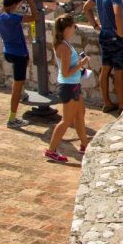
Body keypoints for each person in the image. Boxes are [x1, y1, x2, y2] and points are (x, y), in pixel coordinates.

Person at [82, 0, 123, 113]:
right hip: (115, 37)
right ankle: (121, 104)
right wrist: (120, 32)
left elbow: (85, 8)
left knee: (106, 69)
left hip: (104, 36)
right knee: (119, 71)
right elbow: (117, 14)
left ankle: (107, 103)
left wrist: (95, 25)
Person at [46, 15, 90, 163]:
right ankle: (51, 150)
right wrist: (81, 64)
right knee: (66, 120)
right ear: (66, 28)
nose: (74, 29)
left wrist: (78, 64)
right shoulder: (64, 47)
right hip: (69, 86)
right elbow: (66, 72)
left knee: (80, 114)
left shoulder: (64, 44)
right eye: (73, 27)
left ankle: (84, 145)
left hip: (74, 84)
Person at [0, 0, 38, 129]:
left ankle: (23, 93)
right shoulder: (13, 18)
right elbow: (35, 17)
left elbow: (5, 5)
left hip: (9, 52)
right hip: (19, 54)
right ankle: (12, 119)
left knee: (22, 75)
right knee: (16, 87)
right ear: (14, 4)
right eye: (19, 4)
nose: (20, 6)